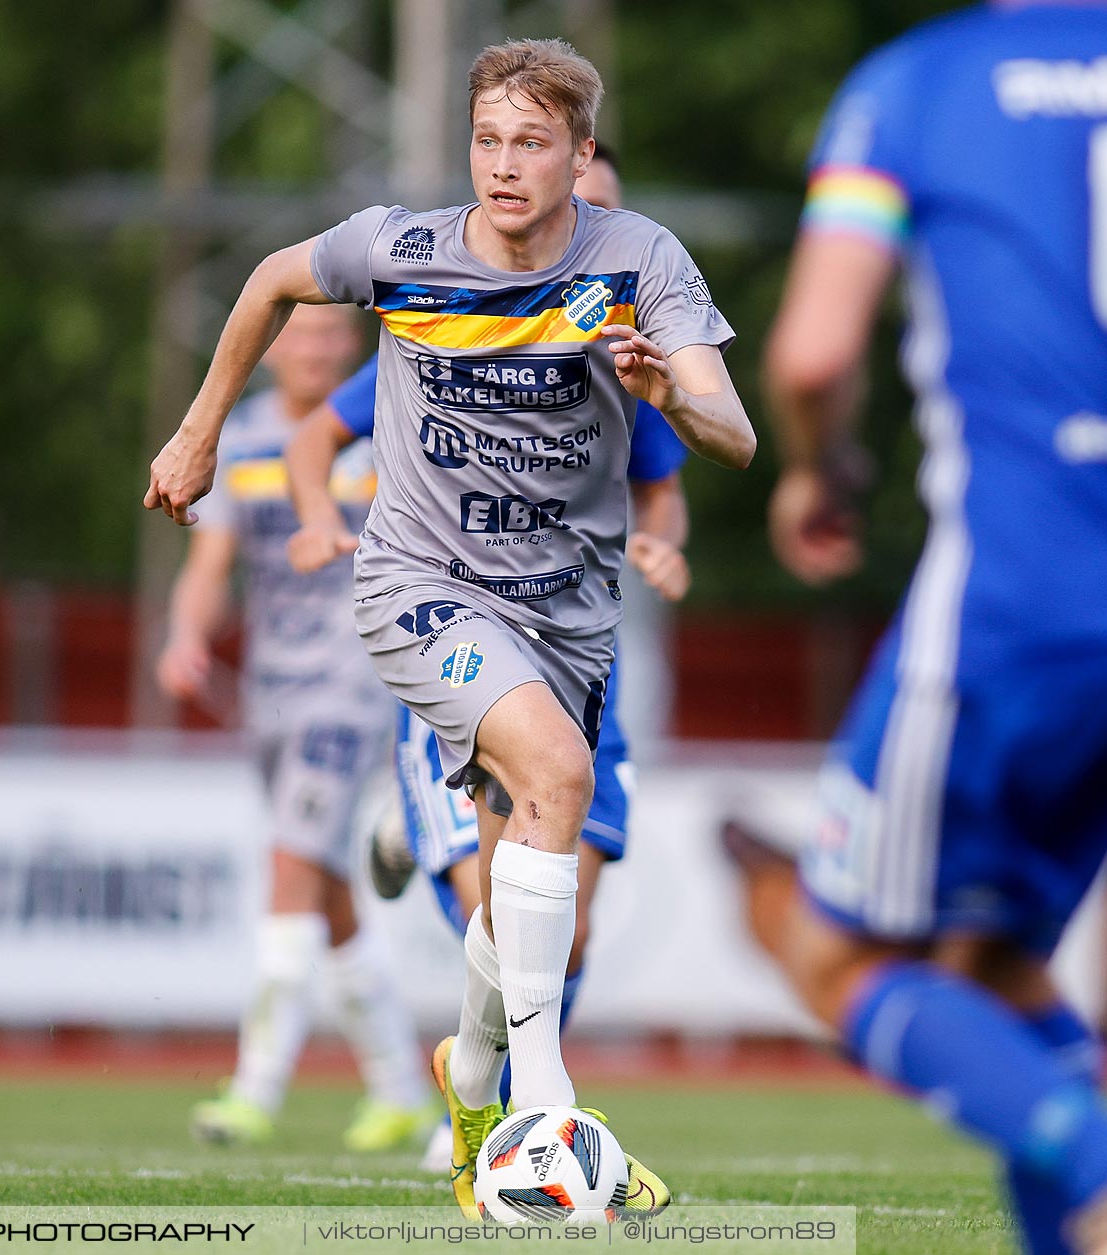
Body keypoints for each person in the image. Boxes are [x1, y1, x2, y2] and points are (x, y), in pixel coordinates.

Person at [147, 39, 753, 1218]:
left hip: (569, 613)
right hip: (420, 586)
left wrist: (673, 389)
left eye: (532, 142)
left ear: (581, 155)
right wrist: (201, 432)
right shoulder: (402, 249)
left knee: (517, 888)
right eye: (488, 140)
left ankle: (469, 1068)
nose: (505, 164)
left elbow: (732, 429)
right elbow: (270, 281)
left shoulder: (638, 259)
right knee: (563, 777)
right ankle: (545, 1109)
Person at [764, 3, 1107, 1251]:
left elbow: (817, 352)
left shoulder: (918, 85)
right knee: (995, 963)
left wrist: (817, 472)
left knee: (826, 942)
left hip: (1026, 606)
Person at [286, 144, 691, 1192]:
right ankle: (536, 1115)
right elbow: (310, 437)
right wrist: (320, 512)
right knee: (514, 855)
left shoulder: (617, 340)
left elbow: (668, 475)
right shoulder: (449, 304)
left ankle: (477, 1081)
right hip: (453, 621)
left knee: (557, 916)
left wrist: (664, 540)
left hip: (575, 645)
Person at [157, 302, 436, 1152]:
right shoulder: (241, 441)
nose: (314, 348)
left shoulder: (387, 429)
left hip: (353, 687)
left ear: (352, 346)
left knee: (288, 870)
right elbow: (211, 562)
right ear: (273, 349)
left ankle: (254, 1089)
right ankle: (398, 1088)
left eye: (329, 335)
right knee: (326, 888)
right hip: (272, 693)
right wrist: (184, 634)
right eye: (299, 335)